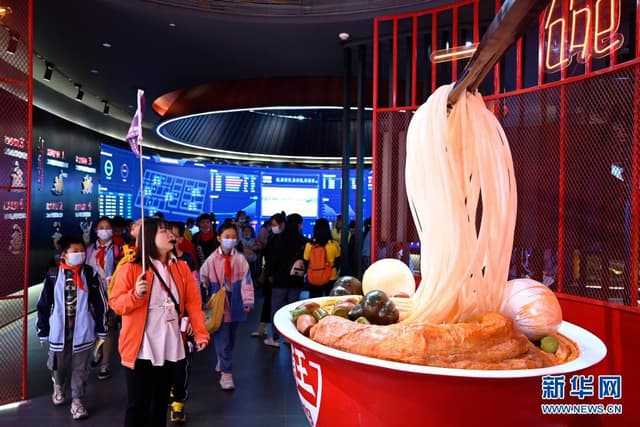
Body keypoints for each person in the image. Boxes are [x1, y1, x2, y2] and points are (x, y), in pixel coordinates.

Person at [109, 217, 209, 427]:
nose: (171, 235)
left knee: (161, 402)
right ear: (149, 236)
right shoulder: (131, 267)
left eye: (170, 231)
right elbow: (116, 304)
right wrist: (135, 295)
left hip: (170, 342)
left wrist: (200, 332)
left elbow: (193, 302)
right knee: (138, 404)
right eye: (163, 231)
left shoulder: (181, 267)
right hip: (141, 345)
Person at [36, 234, 109, 420]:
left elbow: (100, 303)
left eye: (82, 251)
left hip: (83, 330)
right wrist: (42, 330)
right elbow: (43, 304)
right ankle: (58, 385)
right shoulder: (53, 275)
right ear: (64, 254)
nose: (80, 254)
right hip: (59, 331)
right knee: (58, 365)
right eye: (74, 251)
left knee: (80, 369)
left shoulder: (90, 274)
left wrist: (102, 328)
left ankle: (77, 401)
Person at [199, 223, 254, 390]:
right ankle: (226, 373)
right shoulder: (211, 260)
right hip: (219, 303)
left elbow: (246, 281)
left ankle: (222, 359)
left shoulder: (240, 259)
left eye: (233, 237)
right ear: (219, 238)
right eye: (227, 237)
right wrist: (204, 296)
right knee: (222, 338)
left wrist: (247, 301)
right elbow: (202, 278)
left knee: (231, 338)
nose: (230, 240)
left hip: (236, 301)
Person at [167, 221, 200, 422]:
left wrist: (194, 321)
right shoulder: (153, 261)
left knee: (182, 360)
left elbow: (194, 293)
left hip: (183, 321)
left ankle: (178, 402)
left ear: (180, 239)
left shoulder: (187, 261)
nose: (168, 237)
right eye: (165, 233)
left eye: (173, 235)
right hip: (161, 323)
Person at [85, 216, 122, 380]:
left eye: (107, 227)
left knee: (108, 327)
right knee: (93, 325)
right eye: (101, 227)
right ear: (96, 230)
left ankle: (105, 365)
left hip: (110, 294)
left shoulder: (118, 250)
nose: (104, 230)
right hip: (92, 293)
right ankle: (97, 351)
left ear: (112, 231)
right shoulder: (88, 249)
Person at [263, 213, 307, 347]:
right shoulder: (302, 241)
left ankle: (274, 337)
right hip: (296, 279)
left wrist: (270, 274)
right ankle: (290, 337)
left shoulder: (278, 239)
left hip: (279, 279)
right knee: (293, 309)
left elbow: (272, 259)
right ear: (298, 225)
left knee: (276, 309)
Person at [249, 213, 284, 338]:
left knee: (273, 303)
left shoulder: (281, 239)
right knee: (268, 302)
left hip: (276, 275)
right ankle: (263, 328)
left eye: (275, 225)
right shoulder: (272, 236)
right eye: (272, 225)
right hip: (270, 274)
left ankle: (271, 332)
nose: (273, 227)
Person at [304, 218, 340, 298]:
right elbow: (338, 260)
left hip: (314, 276)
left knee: (314, 300)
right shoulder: (334, 244)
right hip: (331, 276)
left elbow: (306, 260)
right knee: (329, 300)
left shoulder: (309, 245)